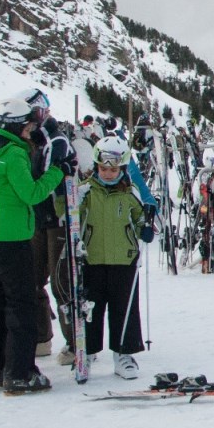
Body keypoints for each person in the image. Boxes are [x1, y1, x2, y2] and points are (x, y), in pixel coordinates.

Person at [0, 91, 70, 394]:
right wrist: (57, 171)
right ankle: (19, 373)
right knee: (20, 304)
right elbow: (32, 194)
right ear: (13, 127)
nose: (29, 134)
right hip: (10, 236)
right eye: (26, 129)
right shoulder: (13, 153)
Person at [76, 136, 151, 379]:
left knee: (124, 308)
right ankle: (86, 351)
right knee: (91, 308)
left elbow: (139, 217)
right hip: (92, 258)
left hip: (124, 259)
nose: (108, 173)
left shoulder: (130, 193)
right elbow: (66, 213)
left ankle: (123, 353)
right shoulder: (86, 192)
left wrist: (145, 228)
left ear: (123, 168)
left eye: (113, 169)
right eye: (103, 169)